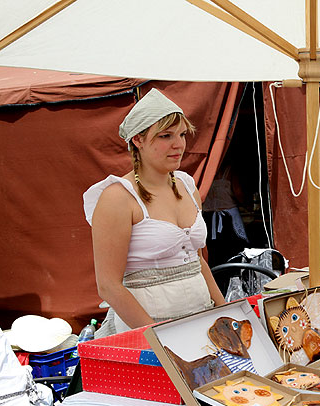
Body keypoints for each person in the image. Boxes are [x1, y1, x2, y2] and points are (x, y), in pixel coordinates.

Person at [83, 89, 225, 337]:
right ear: (138, 140)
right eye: (165, 136)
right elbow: (108, 286)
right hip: (147, 332)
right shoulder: (118, 197)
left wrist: (224, 312)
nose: (178, 144)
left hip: (200, 323)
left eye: (182, 134)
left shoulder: (186, 185)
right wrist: (158, 337)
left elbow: (196, 260)